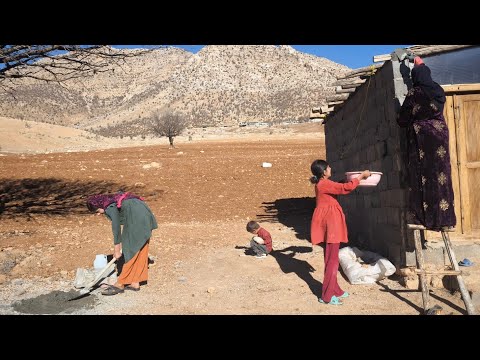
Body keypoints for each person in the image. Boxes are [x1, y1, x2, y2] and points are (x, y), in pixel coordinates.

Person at [397, 56, 456, 231]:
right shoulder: (438, 90)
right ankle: (445, 219)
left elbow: (402, 119)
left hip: (421, 140)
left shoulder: (415, 93)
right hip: (440, 136)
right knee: (442, 177)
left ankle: (422, 218)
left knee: (421, 177)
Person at [310, 159, 371, 305]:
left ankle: (335, 289)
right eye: (328, 167)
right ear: (324, 172)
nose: (330, 168)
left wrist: (346, 180)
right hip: (331, 226)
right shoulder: (324, 184)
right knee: (331, 261)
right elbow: (345, 189)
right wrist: (361, 176)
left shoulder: (323, 183)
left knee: (332, 258)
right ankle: (327, 296)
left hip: (331, 225)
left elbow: (338, 186)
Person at [86, 192, 158, 295]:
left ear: (99, 205)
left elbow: (116, 228)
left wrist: (117, 250)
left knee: (129, 249)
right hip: (144, 214)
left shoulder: (109, 206)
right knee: (140, 248)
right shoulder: (110, 200)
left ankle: (120, 284)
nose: (98, 214)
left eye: (97, 211)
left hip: (137, 217)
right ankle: (135, 282)